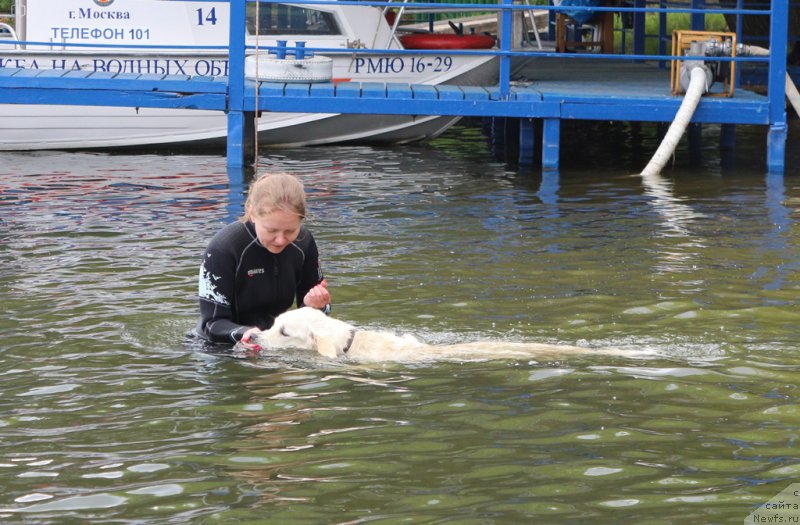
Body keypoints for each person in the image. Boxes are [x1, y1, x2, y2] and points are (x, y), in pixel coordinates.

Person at [197, 173, 331, 351]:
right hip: (220, 348)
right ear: (252, 213)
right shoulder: (224, 247)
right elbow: (211, 324)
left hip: (273, 341)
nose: (281, 240)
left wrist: (315, 306)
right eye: (272, 230)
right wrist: (245, 333)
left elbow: (319, 315)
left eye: (290, 231)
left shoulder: (304, 242)